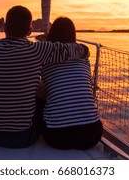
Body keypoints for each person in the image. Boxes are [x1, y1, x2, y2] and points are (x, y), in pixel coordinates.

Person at [0, 6, 89, 148]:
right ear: (30, 31)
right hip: (21, 137)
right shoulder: (37, 50)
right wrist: (86, 50)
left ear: (4, 27)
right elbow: (74, 50)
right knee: (40, 97)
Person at [41, 17, 103, 150]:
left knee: (39, 95)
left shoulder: (45, 61)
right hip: (92, 134)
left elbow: (44, 92)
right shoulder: (84, 60)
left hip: (57, 137)